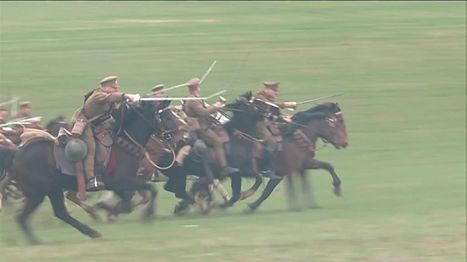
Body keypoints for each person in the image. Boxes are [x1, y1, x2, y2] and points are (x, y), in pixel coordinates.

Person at [72, 76, 138, 191]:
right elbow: (111, 97)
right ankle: (91, 179)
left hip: (101, 123)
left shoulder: (108, 96)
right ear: (106, 88)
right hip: (87, 124)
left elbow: (114, 105)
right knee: (90, 148)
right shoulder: (98, 96)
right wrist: (126, 95)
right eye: (114, 87)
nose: (116, 89)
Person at [183, 77, 239, 178]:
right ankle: (223, 167)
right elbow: (202, 112)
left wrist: (215, 106)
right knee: (217, 142)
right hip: (201, 128)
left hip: (206, 124)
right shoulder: (193, 100)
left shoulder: (195, 97)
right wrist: (215, 107)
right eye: (199, 86)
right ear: (196, 88)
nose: (200, 88)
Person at [254, 81, 296, 178]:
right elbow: (270, 109)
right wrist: (285, 106)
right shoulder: (259, 98)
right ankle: (266, 169)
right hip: (258, 125)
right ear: (267, 89)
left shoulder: (266, 98)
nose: (276, 93)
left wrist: (283, 117)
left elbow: (273, 111)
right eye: (274, 91)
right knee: (272, 143)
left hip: (265, 123)